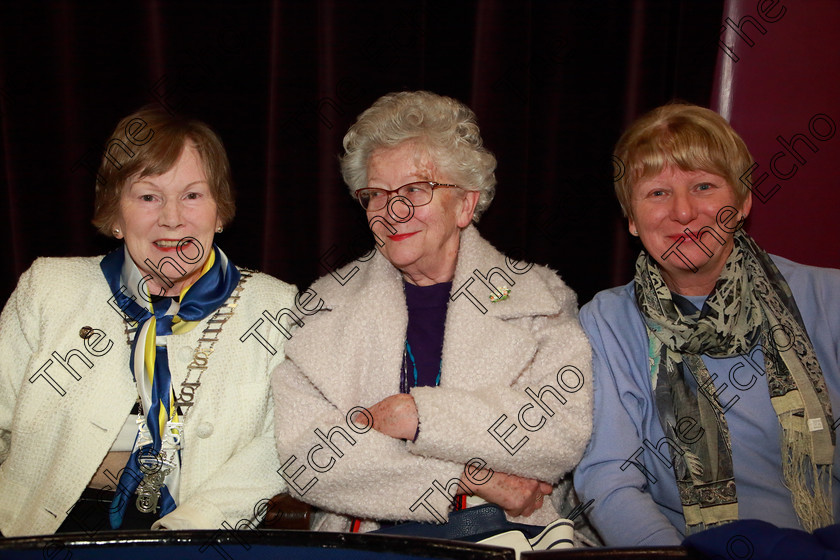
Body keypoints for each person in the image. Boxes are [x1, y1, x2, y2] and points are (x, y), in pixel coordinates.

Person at [271, 90, 592, 534]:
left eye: (415, 190)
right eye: (376, 194)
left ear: (464, 204)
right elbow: (305, 458)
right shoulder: (324, 306)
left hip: (511, 534)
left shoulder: (538, 299)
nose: (393, 211)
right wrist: (465, 478)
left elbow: (560, 433)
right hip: (364, 542)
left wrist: (419, 417)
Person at [0, 107, 297, 536]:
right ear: (116, 216)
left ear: (220, 210)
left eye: (193, 195)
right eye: (147, 197)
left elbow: (281, 445)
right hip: (40, 529)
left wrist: (193, 526)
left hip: (193, 531)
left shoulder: (274, 305)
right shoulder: (50, 289)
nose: (172, 218)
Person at [574, 103, 840, 546]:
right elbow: (608, 478)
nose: (683, 212)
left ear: (742, 202)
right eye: (657, 193)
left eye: (703, 186)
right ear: (632, 219)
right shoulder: (608, 322)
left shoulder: (828, 298)